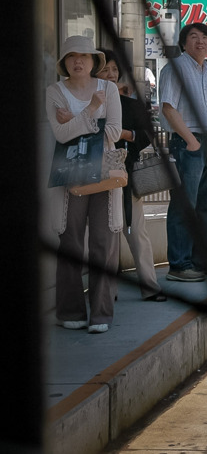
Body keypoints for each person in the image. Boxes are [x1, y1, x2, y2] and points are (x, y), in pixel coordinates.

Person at [47, 36, 124, 334]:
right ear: (64, 63)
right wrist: (92, 111)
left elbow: (115, 131)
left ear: (95, 62)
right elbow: (60, 134)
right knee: (71, 241)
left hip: (104, 173)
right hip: (68, 174)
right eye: (71, 56)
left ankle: (102, 313)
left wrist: (77, 121)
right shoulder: (54, 92)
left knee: (103, 243)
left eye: (84, 56)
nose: (78, 61)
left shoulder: (109, 88)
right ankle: (68, 311)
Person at [98, 49, 166, 301]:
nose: (111, 74)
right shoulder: (89, 105)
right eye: (105, 70)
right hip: (94, 178)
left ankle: (150, 286)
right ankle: (108, 290)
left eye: (114, 70)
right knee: (103, 234)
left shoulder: (131, 105)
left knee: (136, 231)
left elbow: (145, 135)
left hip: (126, 176)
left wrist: (123, 134)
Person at [159, 22, 207, 283]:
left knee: (205, 206)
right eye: (194, 37)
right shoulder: (176, 67)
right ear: (184, 43)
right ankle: (179, 264)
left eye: (205, 37)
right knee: (185, 205)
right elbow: (168, 108)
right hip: (188, 142)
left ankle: (199, 261)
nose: (201, 41)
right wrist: (191, 141)